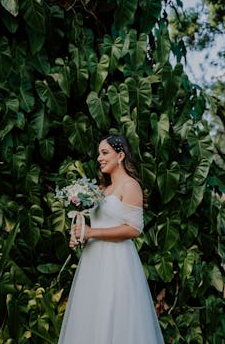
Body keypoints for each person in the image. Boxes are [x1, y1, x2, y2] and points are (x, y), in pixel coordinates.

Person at [58, 134, 165, 344]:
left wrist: (91, 233)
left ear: (121, 155)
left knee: (114, 317)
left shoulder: (129, 186)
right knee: (91, 318)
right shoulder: (101, 190)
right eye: (99, 153)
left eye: (105, 152)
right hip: (92, 262)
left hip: (117, 263)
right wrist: (81, 236)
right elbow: (96, 226)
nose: (99, 158)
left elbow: (134, 229)